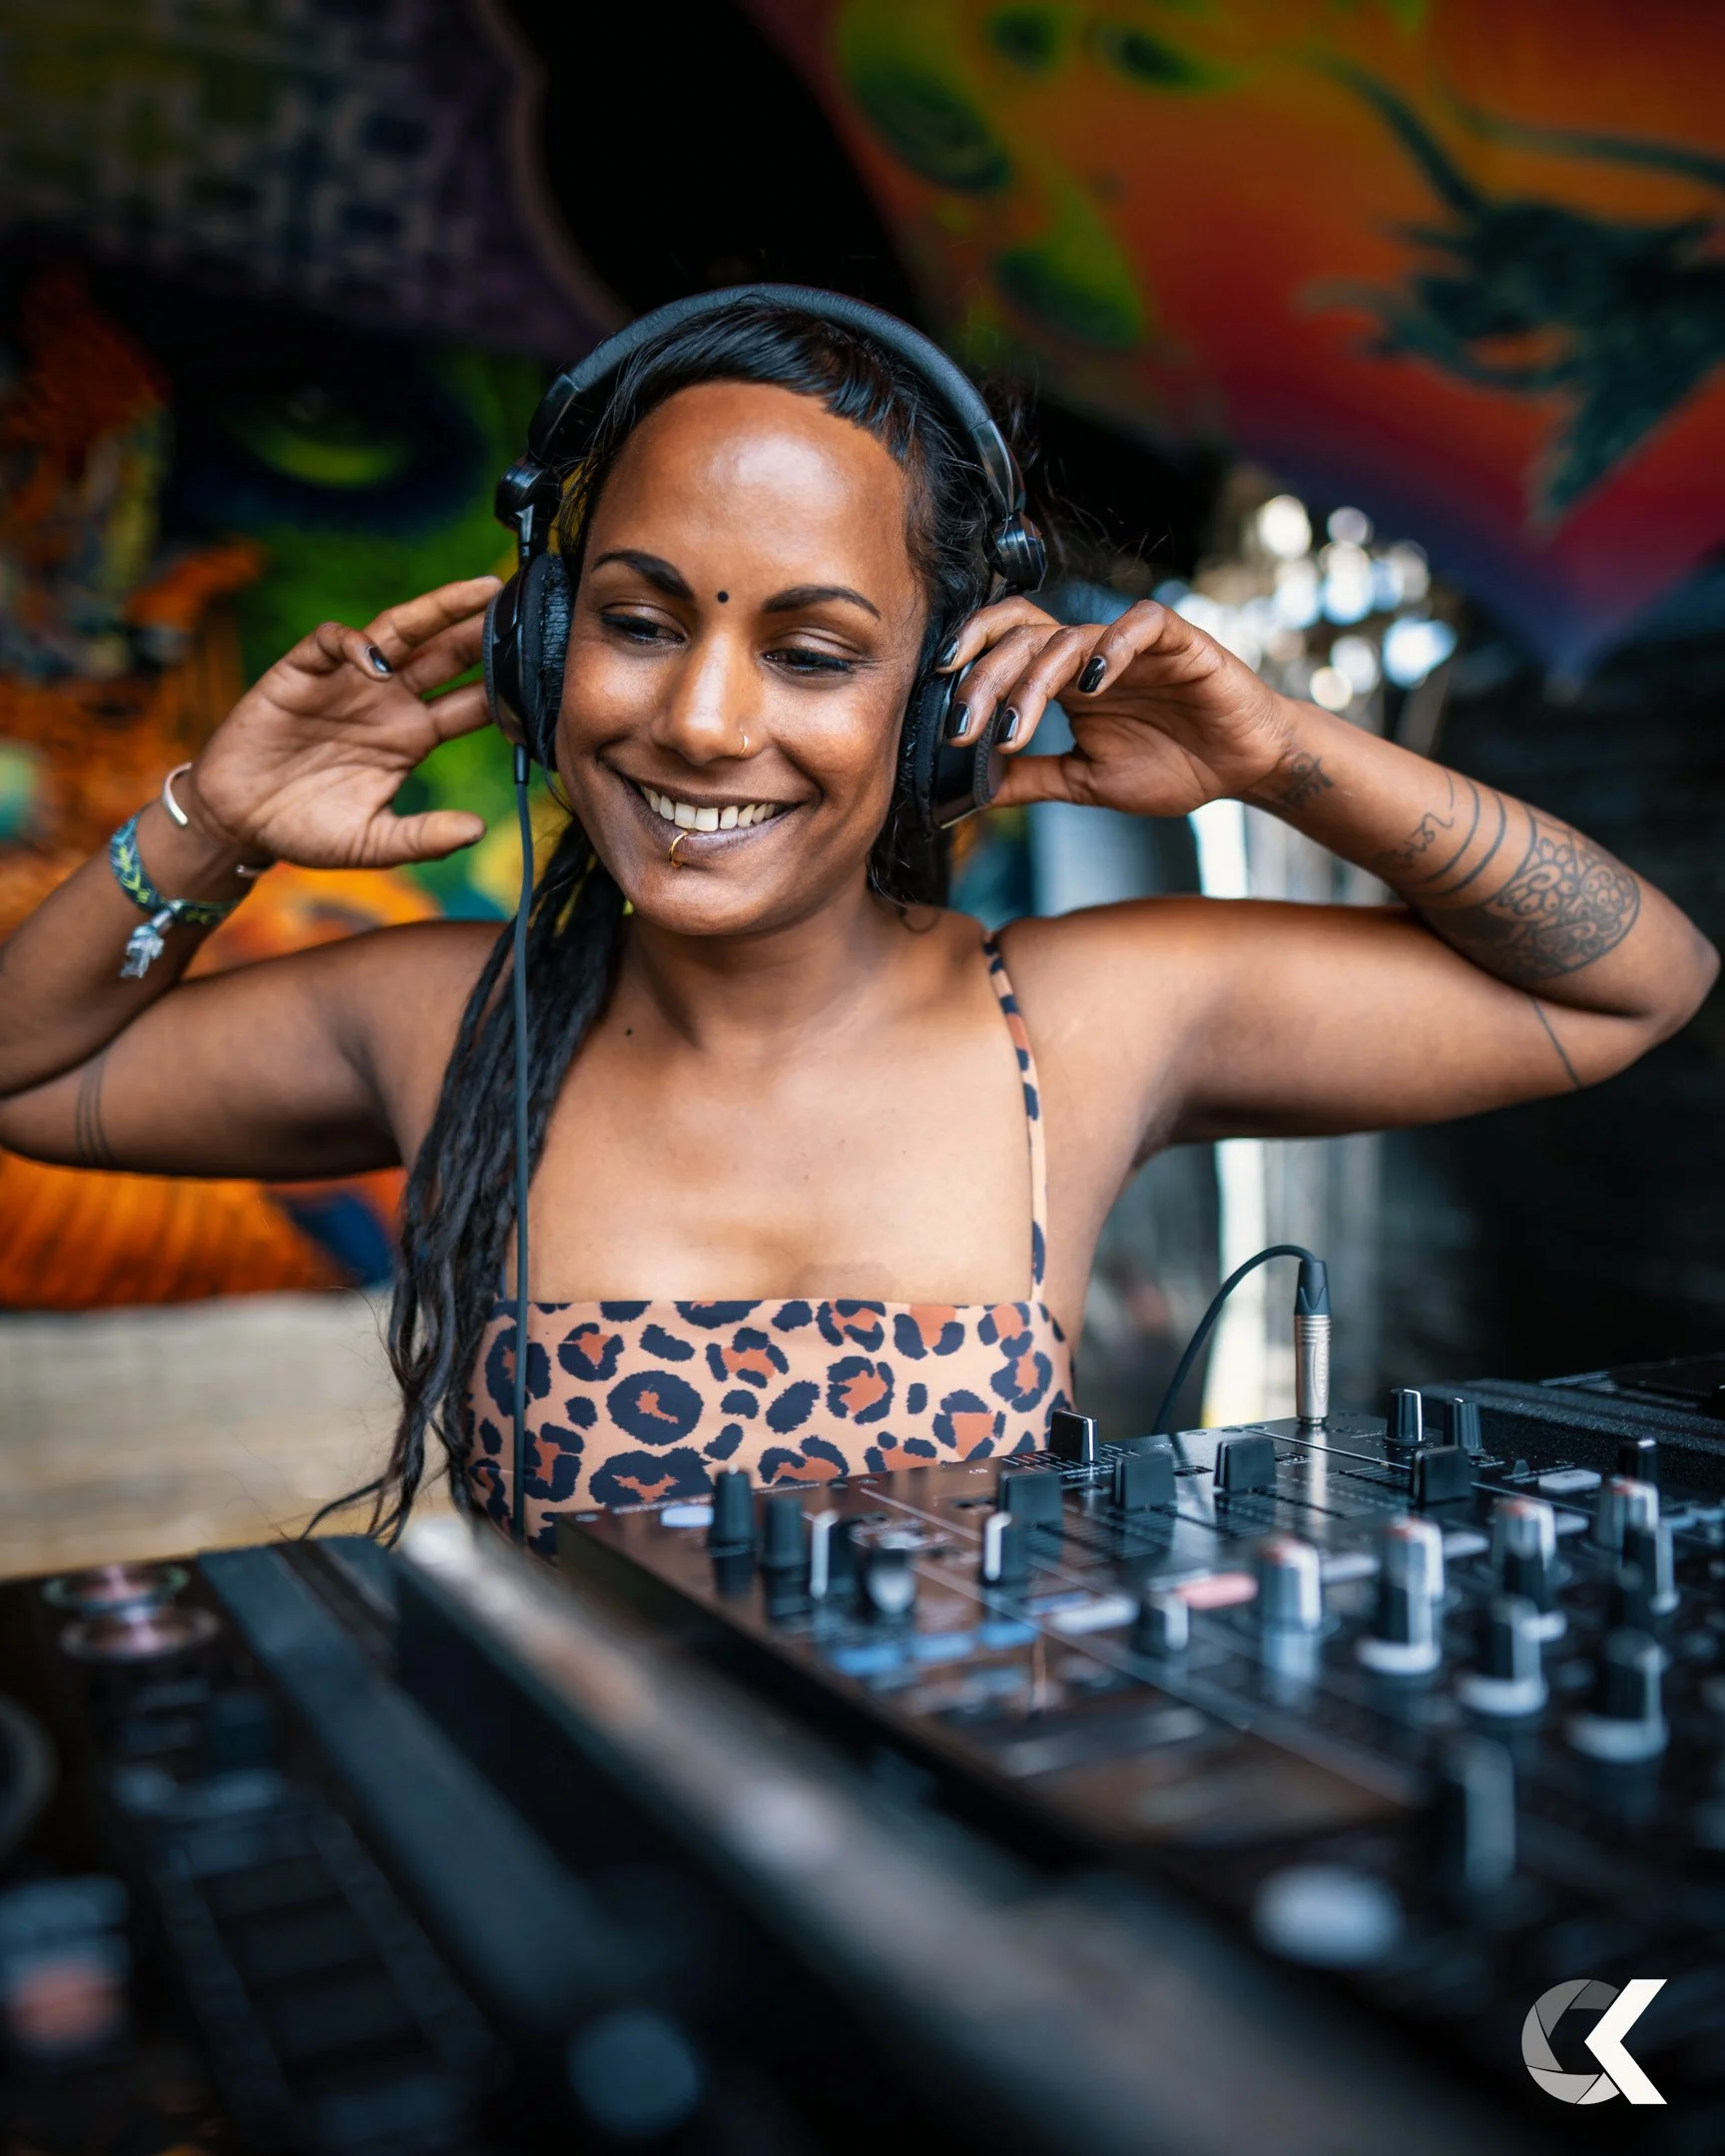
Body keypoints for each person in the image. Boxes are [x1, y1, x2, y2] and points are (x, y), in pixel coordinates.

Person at [0, 301, 1713, 1553]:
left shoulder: (1086, 1015)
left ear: (944, 701)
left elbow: (1641, 983)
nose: (703, 721)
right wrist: (209, 820)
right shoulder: (440, 1016)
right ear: (540, 655)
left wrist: (1282, 758)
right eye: (638, 622)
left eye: (815, 652)